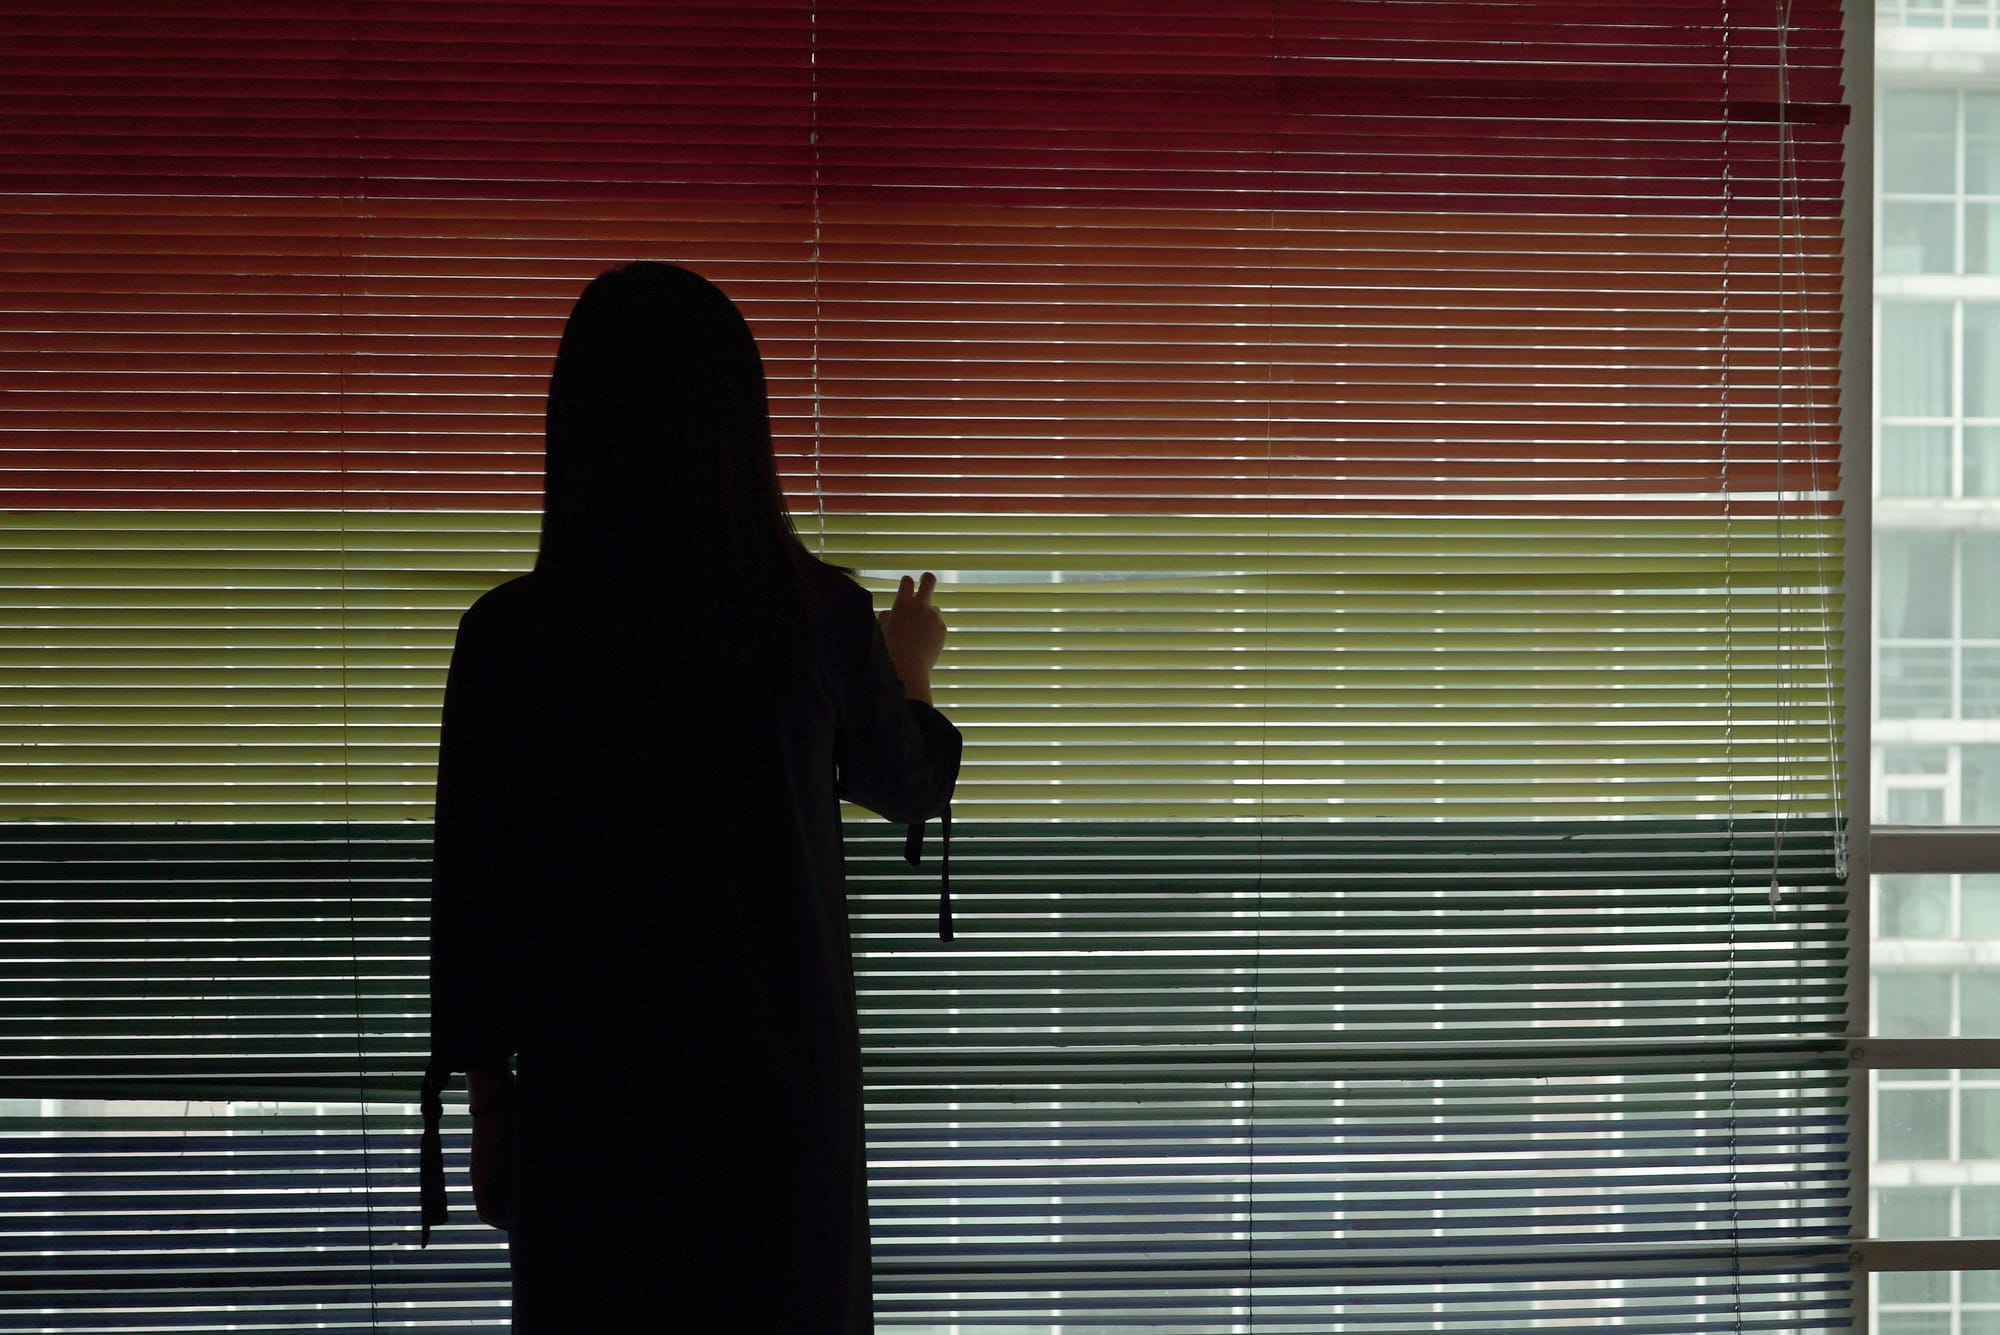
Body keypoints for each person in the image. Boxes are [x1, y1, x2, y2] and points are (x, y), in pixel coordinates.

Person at [420, 262, 961, 1332]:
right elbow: (908, 782)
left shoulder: (509, 639)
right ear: (739, 427)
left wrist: (491, 1118)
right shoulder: (813, 621)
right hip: (775, 1129)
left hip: (589, 1123)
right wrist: (908, 673)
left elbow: (471, 902)